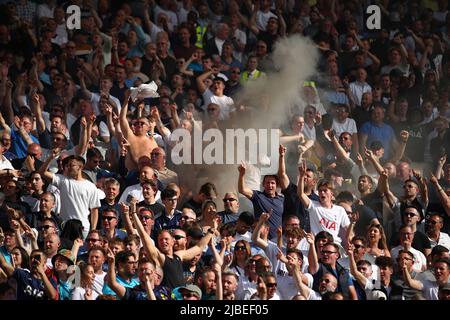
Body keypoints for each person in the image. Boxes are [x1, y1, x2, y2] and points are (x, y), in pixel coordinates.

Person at [40, 152, 102, 238]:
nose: (68, 167)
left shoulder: (91, 186)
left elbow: (94, 210)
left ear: (80, 167)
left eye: (71, 165)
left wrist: (93, 229)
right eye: (68, 165)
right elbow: (42, 172)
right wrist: (50, 157)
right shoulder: (63, 180)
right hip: (64, 228)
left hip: (83, 229)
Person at [297, 161, 352, 245]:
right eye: (320, 191)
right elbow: (301, 194)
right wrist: (301, 176)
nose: (322, 193)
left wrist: (351, 241)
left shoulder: (340, 210)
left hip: (334, 245)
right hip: (318, 245)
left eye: (325, 191)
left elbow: (348, 229)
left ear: (331, 194)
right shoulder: (313, 206)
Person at [238, 162, 284, 239]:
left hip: (277, 239)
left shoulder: (282, 199)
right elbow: (242, 190)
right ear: (263, 184)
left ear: (277, 185)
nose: (270, 185)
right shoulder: (258, 196)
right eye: (267, 183)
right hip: (259, 239)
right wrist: (242, 174)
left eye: (272, 183)